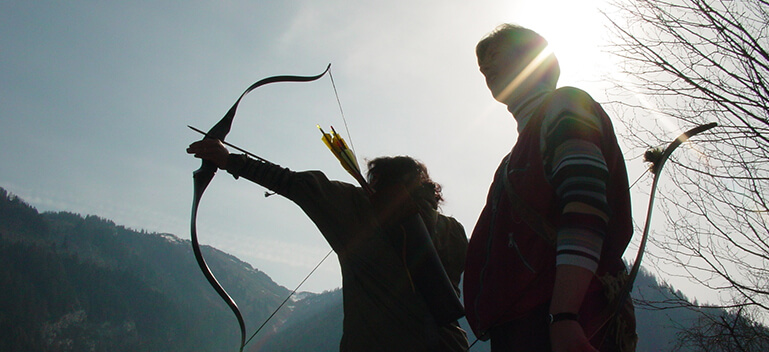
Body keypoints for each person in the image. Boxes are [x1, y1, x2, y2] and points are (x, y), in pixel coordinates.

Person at [187, 141, 469, 352]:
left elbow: (292, 182)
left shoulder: (362, 208)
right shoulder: (453, 230)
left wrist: (228, 159)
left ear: (379, 184)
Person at [463, 24, 637, 352]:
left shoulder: (565, 105)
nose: (486, 68)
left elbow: (585, 204)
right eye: (482, 66)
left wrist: (564, 315)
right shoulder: (509, 163)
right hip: (525, 329)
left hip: (562, 324)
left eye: (495, 55)